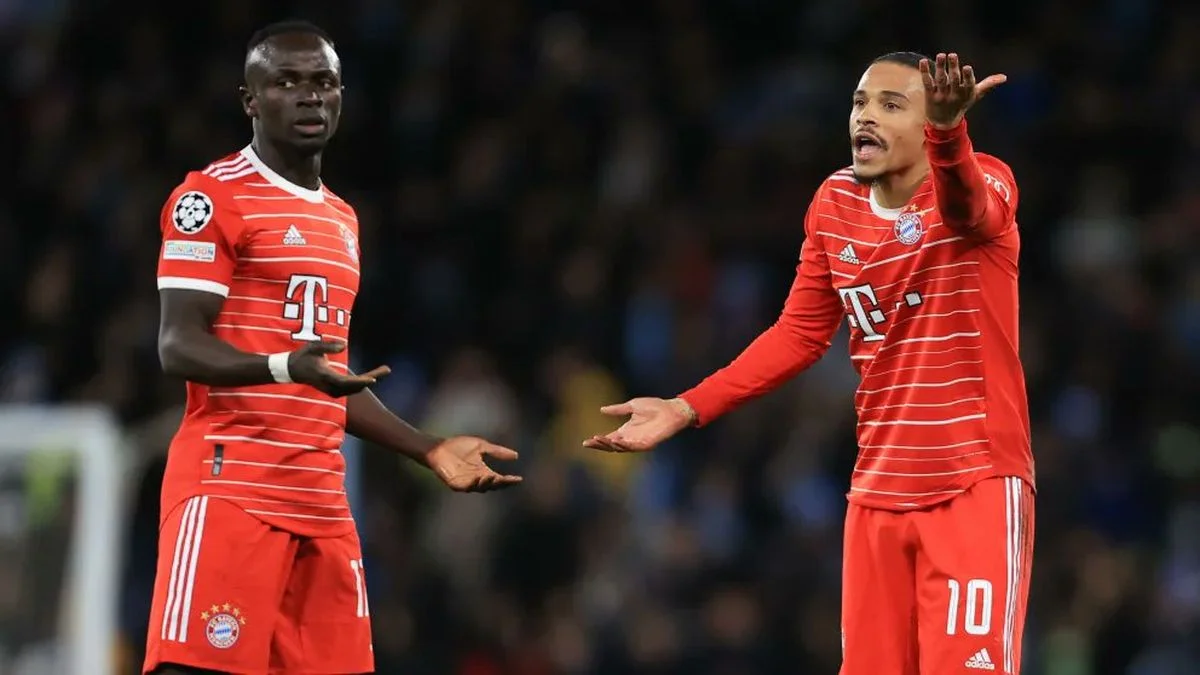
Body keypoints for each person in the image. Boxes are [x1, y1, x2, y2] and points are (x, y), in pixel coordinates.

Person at [586, 52, 1034, 675]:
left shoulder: (986, 179)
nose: (866, 117)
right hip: (876, 494)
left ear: (931, 120)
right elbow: (798, 334)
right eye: (860, 102)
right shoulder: (834, 203)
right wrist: (686, 407)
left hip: (972, 485)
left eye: (891, 105)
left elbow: (968, 210)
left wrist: (950, 135)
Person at [144, 20, 522, 675]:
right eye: (286, 82)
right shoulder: (211, 196)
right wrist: (282, 366)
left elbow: (328, 380)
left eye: (323, 82)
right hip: (231, 490)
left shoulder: (342, 219)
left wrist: (428, 447)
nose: (309, 95)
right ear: (250, 100)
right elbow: (177, 345)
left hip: (322, 505)